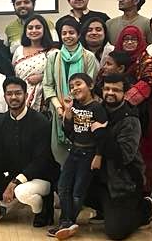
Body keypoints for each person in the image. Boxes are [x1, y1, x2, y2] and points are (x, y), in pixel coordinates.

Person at [85, 75, 152, 240]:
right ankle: (105, 209)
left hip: (123, 183)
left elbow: (123, 156)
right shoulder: (96, 110)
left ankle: (144, 209)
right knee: (66, 184)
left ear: (125, 92)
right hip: (99, 178)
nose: (110, 93)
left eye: (116, 90)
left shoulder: (130, 119)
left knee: (115, 232)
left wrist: (101, 133)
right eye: (107, 89)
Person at [0, 77, 58, 227]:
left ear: (26, 94)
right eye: (9, 94)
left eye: (18, 93)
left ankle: (41, 209)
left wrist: (15, 183)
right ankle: (20, 202)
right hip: (12, 180)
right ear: (4, 96)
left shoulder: (41, 122)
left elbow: (41, 160)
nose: (13, 97)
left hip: (40, 179)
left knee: (22, 191)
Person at [50, 72, 108, 238]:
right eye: (72, 86)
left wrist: (99, 155)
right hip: (74, 151)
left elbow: (102, 136)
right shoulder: (74, 107)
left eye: (78, 84)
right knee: (63, 187)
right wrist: (68, 113)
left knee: (78, 191)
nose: (75, 88)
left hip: (89, 154)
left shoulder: (97, 108)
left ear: (90, 86)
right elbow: (69, 132)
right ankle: (65, 222)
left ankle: (69, 221)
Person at [43, 16, 98, 165]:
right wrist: (60, 108)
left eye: (71, 32)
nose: (68, 36)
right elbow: (47, 85)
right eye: (64, 33)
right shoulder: (54, 56)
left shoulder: (88, 57)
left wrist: (73, 109)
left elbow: (90, 85)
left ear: (79, 34)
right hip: (58, 112)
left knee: (81, 154)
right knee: (60, 154)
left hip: (82, 112)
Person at [113, 25, 152, 195]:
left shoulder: (146, 60)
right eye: (126, 39)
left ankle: (144, 194)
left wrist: (125, 101)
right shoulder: (114, 59)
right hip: (114, 114)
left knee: (142, 153)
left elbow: (150, 81)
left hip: (142, 113)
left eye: (134, 39)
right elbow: (101, 81)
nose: (130, 42)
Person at [12, 14, 56, 112]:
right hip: (19, 96)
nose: (34, 30)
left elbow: (57, 76)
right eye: (30, 28)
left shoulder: (52, 52)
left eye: (38, 27)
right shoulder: (19, 50)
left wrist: (41, 77)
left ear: (44, 30)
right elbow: (14, 74)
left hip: (43, 102)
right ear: (26, 32)